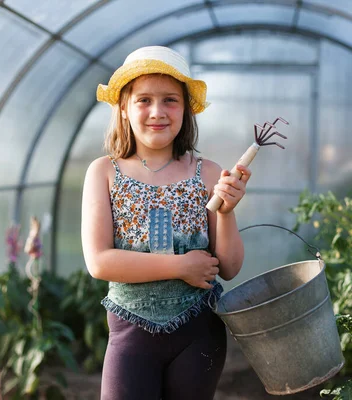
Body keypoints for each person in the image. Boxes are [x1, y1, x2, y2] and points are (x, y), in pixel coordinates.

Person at [81, 45, 250, 400]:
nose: (157, 112)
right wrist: (180, 267)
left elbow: (231, 267)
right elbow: (100, 262)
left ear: (185, 109)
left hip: (199, 335)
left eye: (170, 100)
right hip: (130, 333)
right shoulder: (104, 173)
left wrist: (226, 211)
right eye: (143, 100)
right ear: (124, 109)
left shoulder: (208, 174)